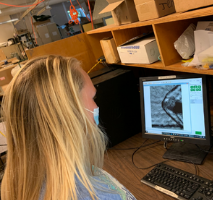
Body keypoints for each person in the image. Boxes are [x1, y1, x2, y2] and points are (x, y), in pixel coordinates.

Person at [0, 56, 136, 200]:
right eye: (93, 98)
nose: (96, 107)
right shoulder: (93, 195)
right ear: (70, 112)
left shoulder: (24, 182)